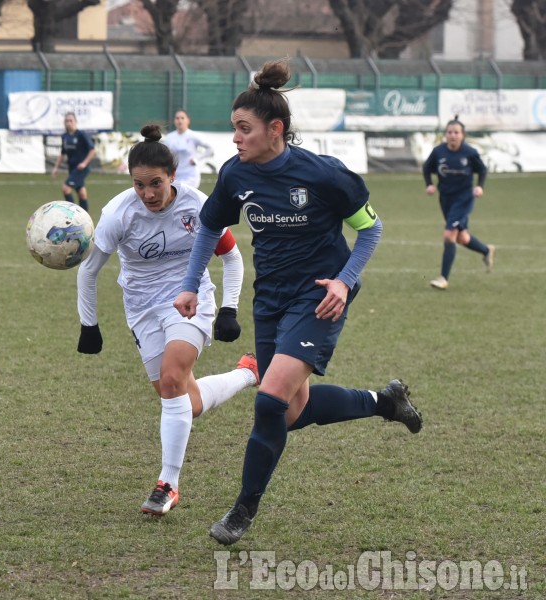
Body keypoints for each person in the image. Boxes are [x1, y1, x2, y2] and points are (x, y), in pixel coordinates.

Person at [173, 59, 423, 545]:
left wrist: (345, 282)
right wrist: (189, 282)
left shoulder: (324, 174)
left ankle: (243, 510)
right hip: (269, 299)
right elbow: (209, 226)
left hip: (319, 296)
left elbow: (371, 228)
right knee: (289, 412)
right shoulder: (234, 175)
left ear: (275, 130)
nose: (236, 139)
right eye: (233, 129)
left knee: (268, 400)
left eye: (244, 130)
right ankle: (384, 403)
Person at [76, 123, 260, 517]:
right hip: (141, 307)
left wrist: (228, 308)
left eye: (155, 184)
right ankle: (248, 373)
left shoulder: (198, 205)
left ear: (172, 176)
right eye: (139, 185)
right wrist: (88, 325)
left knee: (174, 379)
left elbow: (231, 256)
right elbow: (89, 271)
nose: (147, 194)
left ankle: (167, 484)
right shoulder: (117, 214)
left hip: (189, 298)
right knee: (181, 400)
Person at [423, 115, 493, 290]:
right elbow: (426, 167)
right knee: (463, 238)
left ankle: (443, 278)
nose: (452, 135)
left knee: (449, 235)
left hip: (464, 198)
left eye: (456, 132)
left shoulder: (470, 153)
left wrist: (479, 187)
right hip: (446, 198)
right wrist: (430, 184)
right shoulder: (439, 152)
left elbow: (482, 170)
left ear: (463, 135)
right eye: (449, 132)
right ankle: (486, 250)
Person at [51, 112, 96, 213]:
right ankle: (85, 217)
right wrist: (55, 167)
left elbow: (92, 150)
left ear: (75, 122)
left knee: (66, 189)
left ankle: (73, 214)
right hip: (72, 169)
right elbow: (62, 153)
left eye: (71, 120)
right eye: (66, 121)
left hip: (81, 169)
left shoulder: (81, 135)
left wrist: (84, 163)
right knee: (82, 193)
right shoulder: (65, 137)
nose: (68, 123)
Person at [163, 109, 215, 189]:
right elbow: (164, 155)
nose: (179, 120)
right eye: (177, 118)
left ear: (188, 120)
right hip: (175, 175)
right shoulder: (169, 138)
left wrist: (197, 159)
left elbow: (210, 149)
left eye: (182, 118)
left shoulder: (193, 136)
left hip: (190, 176)